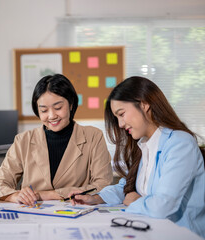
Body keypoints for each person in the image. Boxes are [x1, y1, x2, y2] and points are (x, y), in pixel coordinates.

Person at [68, 76, 205, 237]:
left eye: (121, 114)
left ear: (144, 104)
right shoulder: (145, 145)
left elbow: (163, 206)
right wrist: (96, 198)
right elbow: (127, 188)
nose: (120, 124)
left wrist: (135, 201)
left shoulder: (180, 144)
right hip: (150, 230)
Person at [0, 74, 113, 205]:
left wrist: (46, 195)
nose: (52, 116)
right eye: (44, 110)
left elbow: (103, 186)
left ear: (71, 104)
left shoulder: (93, 136)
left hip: (75, 214)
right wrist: (16, 196)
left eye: (58, 108)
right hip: (32, 215)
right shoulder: (23, 140)